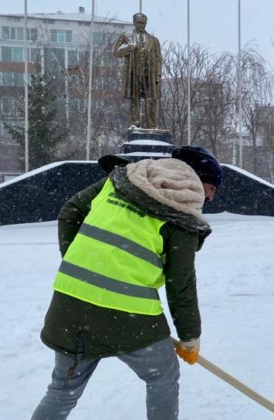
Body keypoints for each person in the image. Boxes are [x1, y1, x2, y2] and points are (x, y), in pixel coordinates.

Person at [32, 146, 223, 420]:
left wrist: (81, 263)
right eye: (211, 188)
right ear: (196, 177)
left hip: (70, 306)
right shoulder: (183, 213)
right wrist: (190, 337)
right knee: (162, 375)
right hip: (128, 319)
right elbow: (180, 286)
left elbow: (70, 210)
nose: (210, 197)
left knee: (63, 389)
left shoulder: (121, 179)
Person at [114, 13, 163, 128]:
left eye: (143, 23)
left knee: (151, 99)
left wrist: (158, 74)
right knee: (134, 98)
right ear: (134, 22)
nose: (141, 25)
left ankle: (152, 125)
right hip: (133, 72)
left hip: (149, 73)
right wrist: (127, 48)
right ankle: (135, 123)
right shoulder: (126, 36)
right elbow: (115, 52)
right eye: (139, 23)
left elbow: (158, 58)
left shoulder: (153, 40)